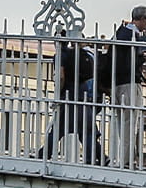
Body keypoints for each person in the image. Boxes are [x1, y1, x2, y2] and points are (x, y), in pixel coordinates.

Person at [41, 33, 102, 164]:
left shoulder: (61, 55)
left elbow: (61, 76)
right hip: (83, 93)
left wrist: (59, 91)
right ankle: (92, 158)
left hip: (69, 94)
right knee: (87, 130)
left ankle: (44, 154)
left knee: (58, 129)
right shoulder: (81, 54)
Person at [106, 6, 146, 167]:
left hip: (117, 84)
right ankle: (126, 160)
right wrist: (145, 57)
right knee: (130, 123)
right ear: (143, 19)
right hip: (129, 84)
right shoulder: (133, 36)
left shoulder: (120, 33)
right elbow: (132, 62)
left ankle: (123, 157)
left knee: (122, 123)